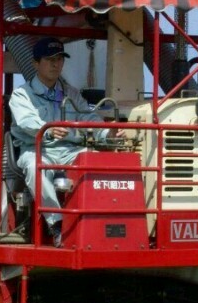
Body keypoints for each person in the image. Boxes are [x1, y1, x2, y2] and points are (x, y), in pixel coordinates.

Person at [9, 37, 123, 247]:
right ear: (35, 63)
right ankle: (58, 227)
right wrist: (48, 130)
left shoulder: (71, 93)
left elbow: (87, 118)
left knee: (99, 162)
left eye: (60, 59)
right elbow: (26, 121)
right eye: (50, 59)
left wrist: (107, 133)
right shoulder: (21, 95)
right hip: (37, 149)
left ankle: (102, 224)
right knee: (36, 168)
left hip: (71, 150)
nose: (56, 64)